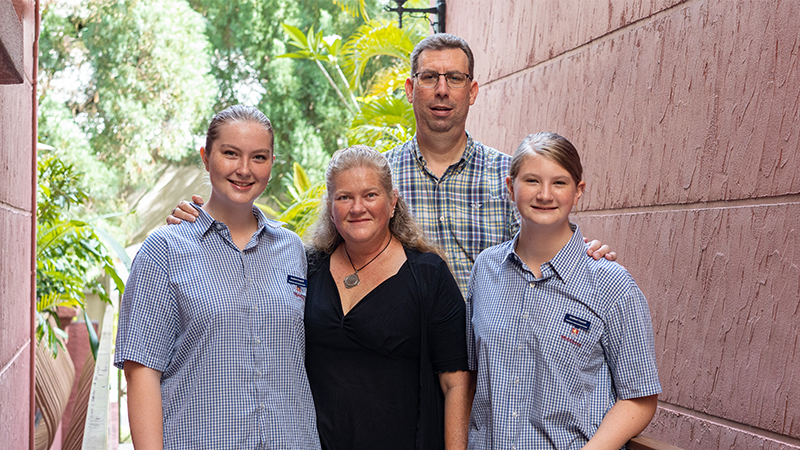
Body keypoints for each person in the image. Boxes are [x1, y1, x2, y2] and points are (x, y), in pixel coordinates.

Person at [168, 33, 614, 295]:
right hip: (401, 363)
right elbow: (315, 256)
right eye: (429, 78)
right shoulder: (375, 179)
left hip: (490, 372)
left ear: (472, 91)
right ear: (410, 88)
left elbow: (544, 245)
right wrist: (210, 222)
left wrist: (586, 254)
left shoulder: (509, 177)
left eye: (454, 79)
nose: (442, 90)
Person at [114, 105, 321, 449]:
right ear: (206, 157)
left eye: (258, 157)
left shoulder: (292, 250)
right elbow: (141, 373)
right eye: (230, 154)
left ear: (272, 163)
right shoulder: (164, 250)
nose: (244, 169)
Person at [466, 132, 661, 449]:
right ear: (510, 186)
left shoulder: (611, 283)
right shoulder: (485, 270)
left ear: (578, 191)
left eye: (559, 182)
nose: (545, 194)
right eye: (531, 181)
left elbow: (639, 399)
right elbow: (472, 380)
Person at [303, 145, 471, 449]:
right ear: (331, 206)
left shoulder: (428, 275)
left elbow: (456, 383)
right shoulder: (308, 268)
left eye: (370, 195)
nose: (357, 208)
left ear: (392, 202)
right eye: (344, 197)